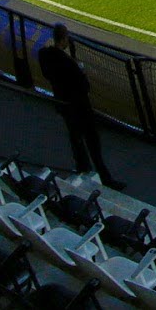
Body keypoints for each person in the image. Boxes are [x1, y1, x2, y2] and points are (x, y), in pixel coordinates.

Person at [37, 24, 125, 190]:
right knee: (92, 141)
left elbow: (47, 74)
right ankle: (104, 177)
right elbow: (84, 87)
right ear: (64, 39)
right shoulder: (68, 63)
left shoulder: (45, 55)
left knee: (75, 138)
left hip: (63, 104)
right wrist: (81, 71)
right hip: (80, 106)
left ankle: (83, 168)